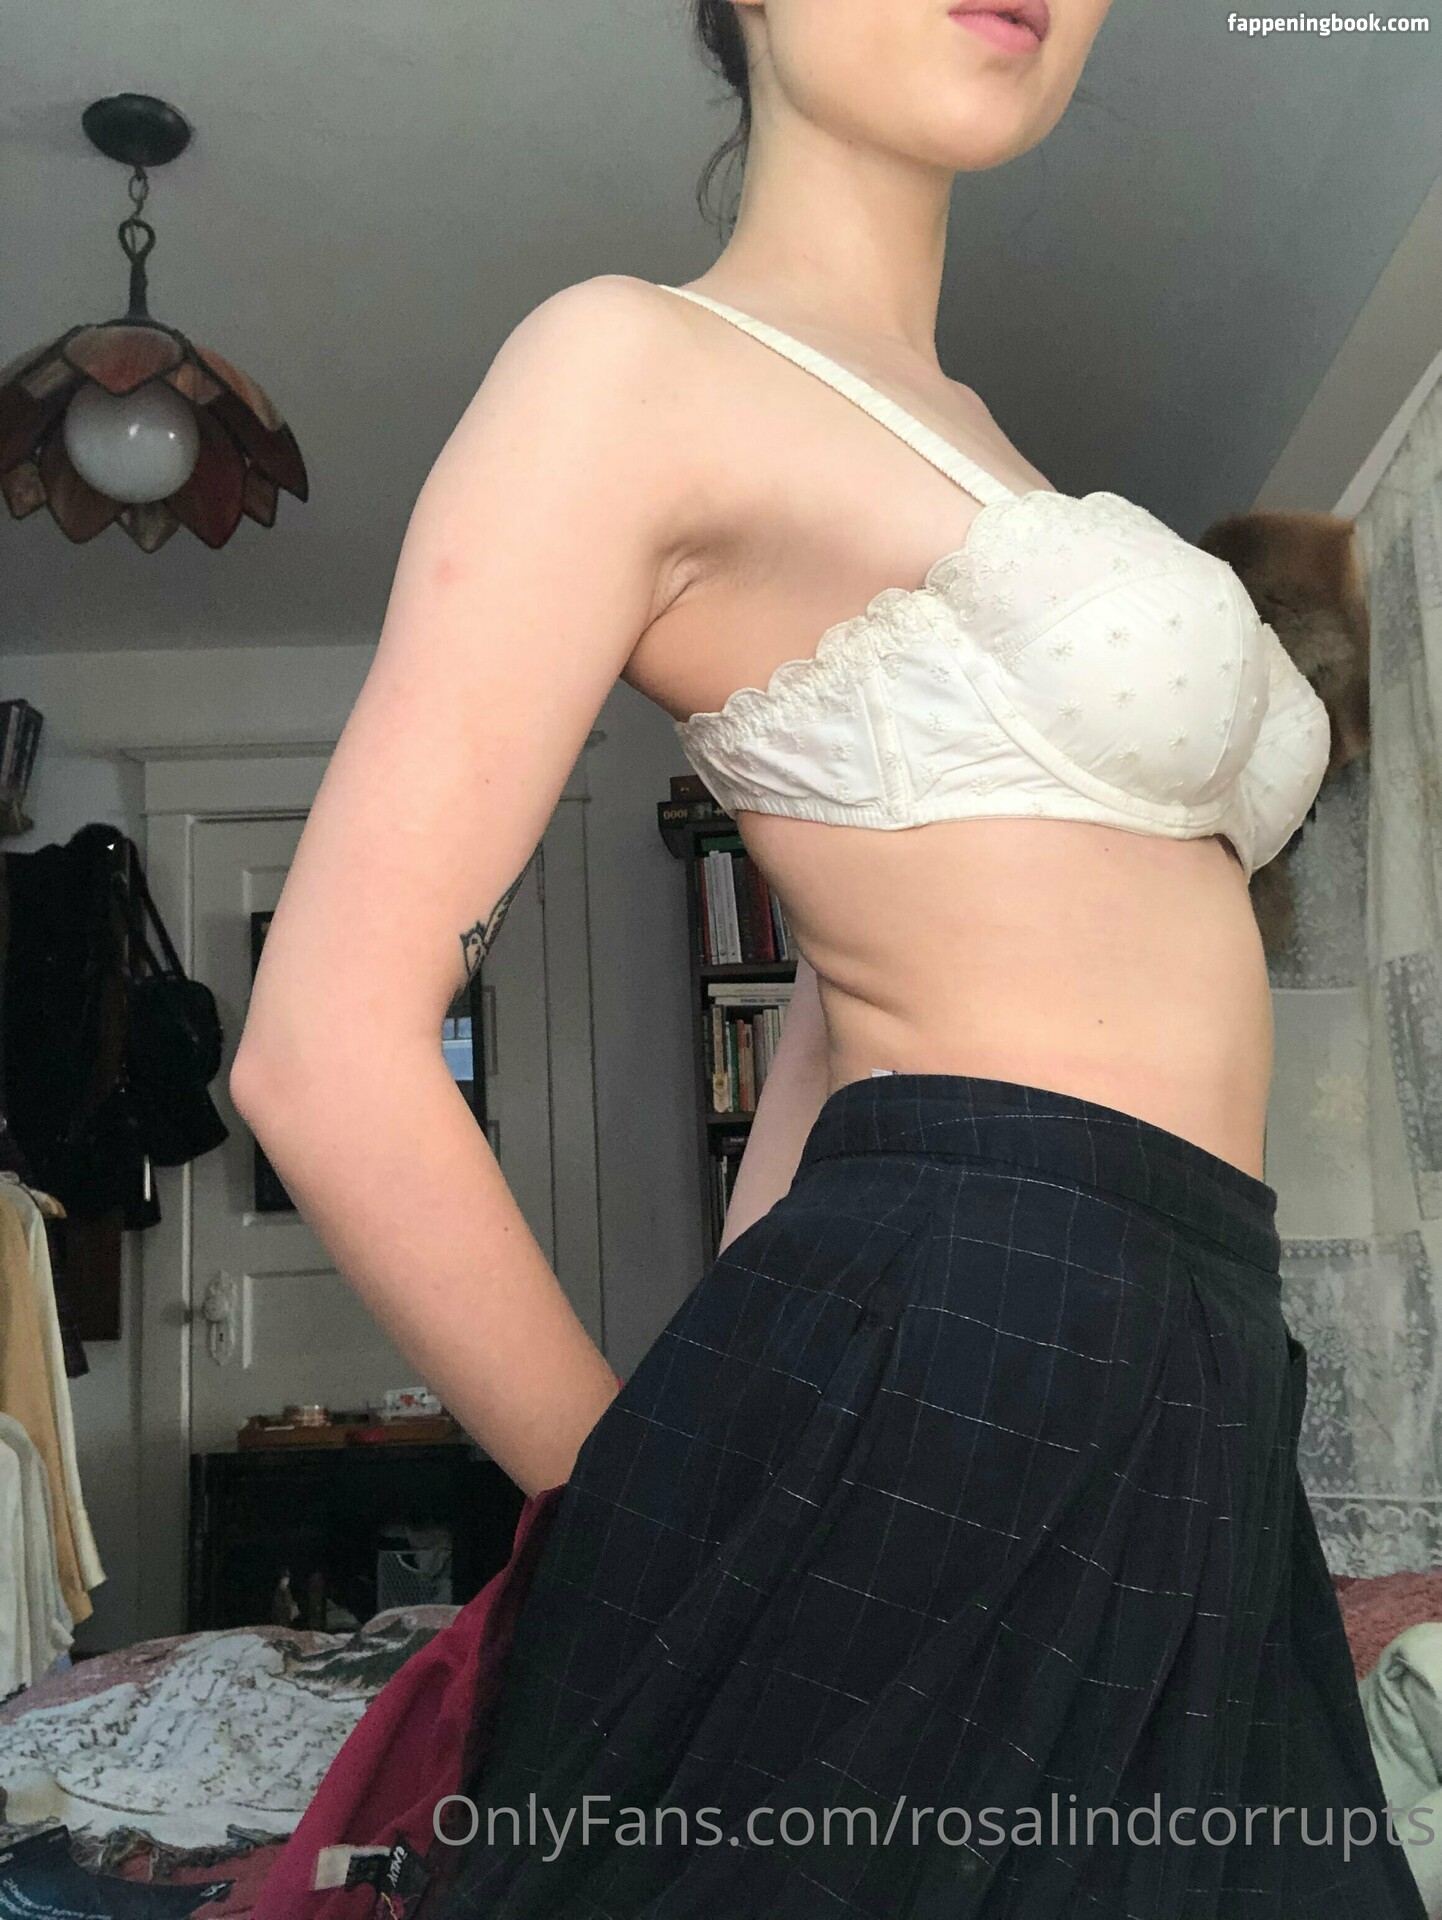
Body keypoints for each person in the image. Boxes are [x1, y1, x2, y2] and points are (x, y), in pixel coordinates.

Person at [231, 1, 1426, 1914]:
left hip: (1195, 1343)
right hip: (984, 1309)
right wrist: (639, 1514)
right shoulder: (629, 363)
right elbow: (320, 1054)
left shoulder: (988, 451)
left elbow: (835, 1011)